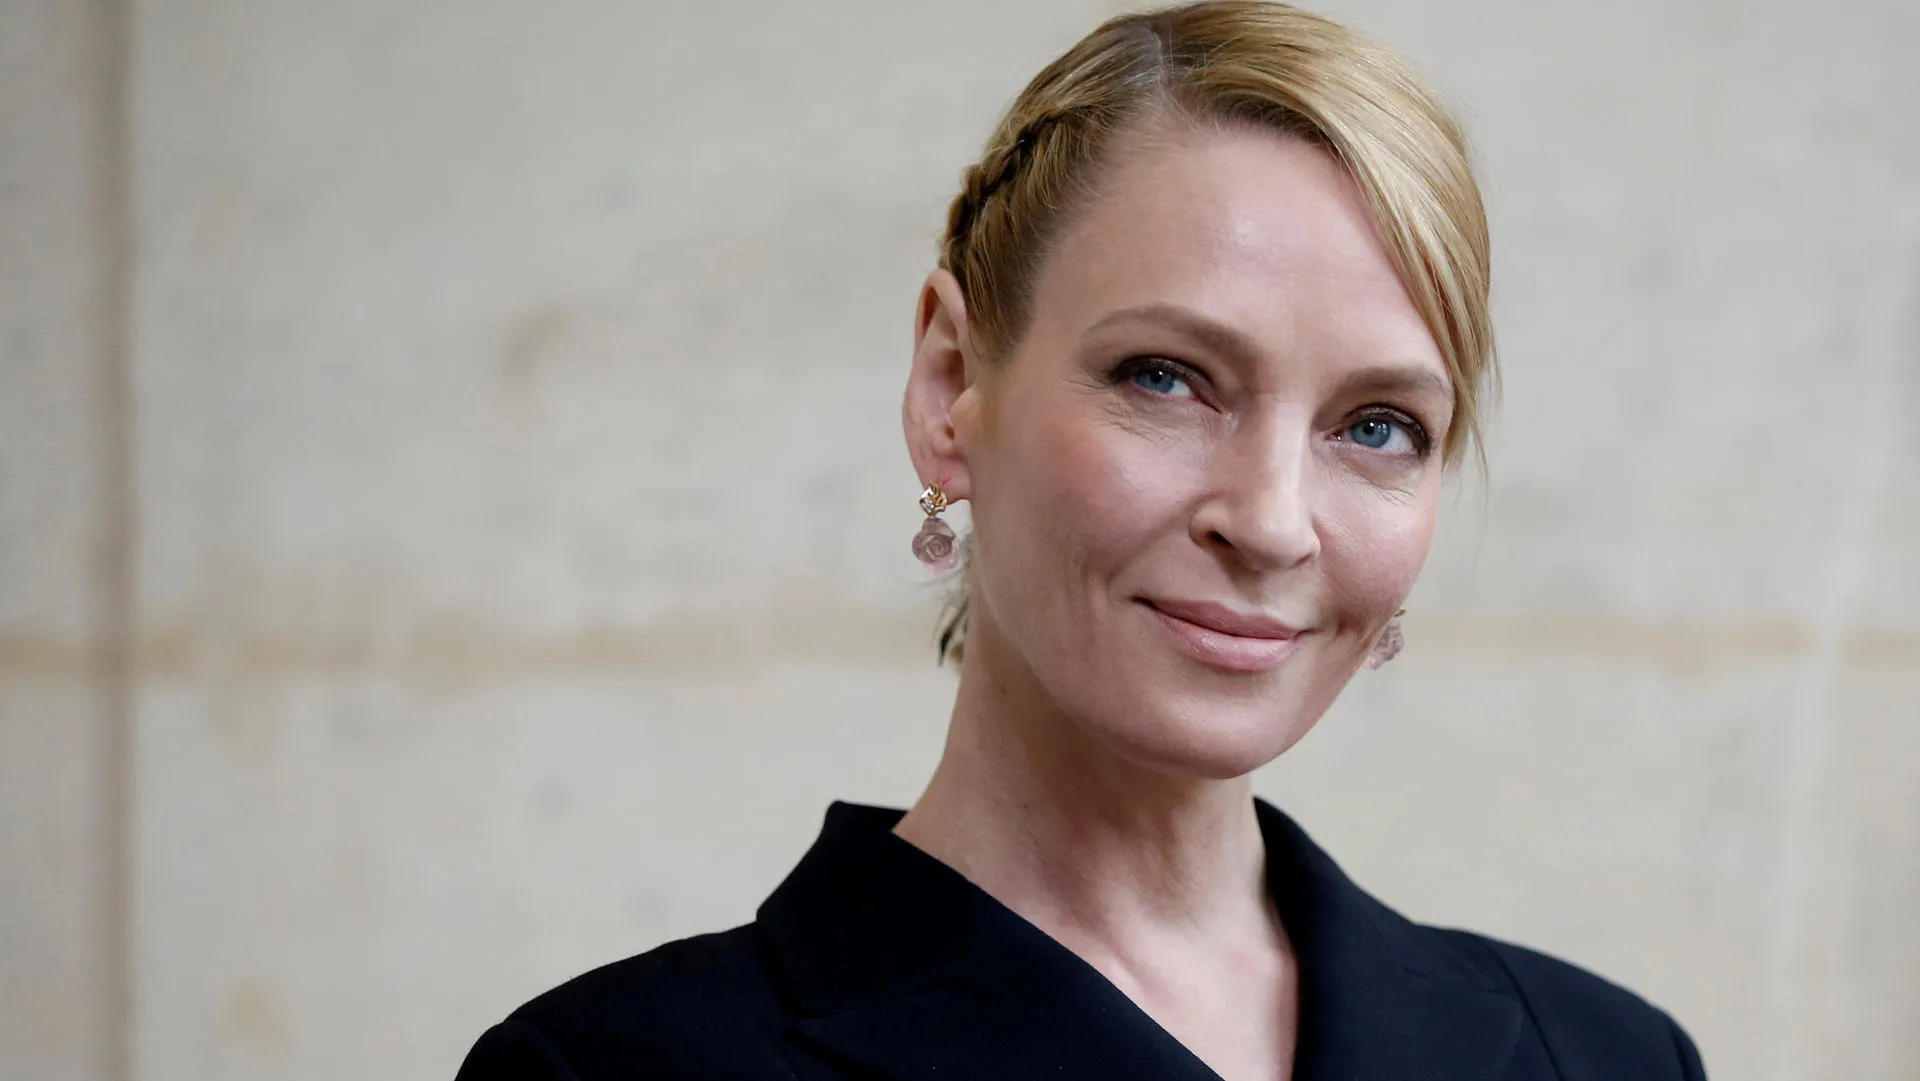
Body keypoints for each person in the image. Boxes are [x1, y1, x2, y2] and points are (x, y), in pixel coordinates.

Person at [455, 2, 1707, 1078]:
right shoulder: (613, 1069)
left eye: (1377, 427)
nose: (1272, 520)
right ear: (951, 386)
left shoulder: (1609, 1058)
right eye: (1166, 376)